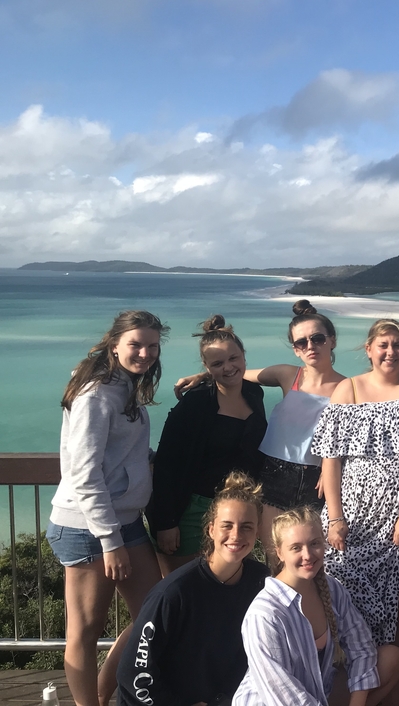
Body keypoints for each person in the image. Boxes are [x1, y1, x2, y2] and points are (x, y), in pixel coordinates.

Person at [47, 310, 166, 706]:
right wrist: (110, 541)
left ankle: (103, 691)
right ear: (115, 345)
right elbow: (83, 472)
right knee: (85, 629)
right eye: (136, 344)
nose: (145, 352)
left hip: (124, 521)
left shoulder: (125, 387)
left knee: (153, 610)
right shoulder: (97, 393)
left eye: (152, 345)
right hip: (87, 528)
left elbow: (120, 454)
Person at [175, 300, 345, 566]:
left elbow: (350, 440)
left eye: (318, 338)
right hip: (274, 475)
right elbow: (234, 373)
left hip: (317, 482)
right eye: (302, 342)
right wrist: (201, 376)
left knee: (311, 561)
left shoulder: (350, 389)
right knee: (275, 559)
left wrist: (331, 467)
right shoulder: (289, 375)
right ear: (296, 349)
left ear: (332, 340)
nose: (310, 346)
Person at [312, 319, 399, 646]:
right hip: (354, 519)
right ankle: (355, 676)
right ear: (369, 350)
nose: (391, 352)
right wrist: (336, 517)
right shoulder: (348, 389)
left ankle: (397, 678)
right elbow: (331, 459)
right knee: (342, 594)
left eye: (397, 345)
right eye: (383, 345)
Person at [116, 472, 271, 706]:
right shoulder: (172, 594)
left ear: (257, 532)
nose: (236, 535)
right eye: (227, 526)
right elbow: (132, 674)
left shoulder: (262, 583)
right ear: (211, 529)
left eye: (246, 527)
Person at [233, 506, 399, 706]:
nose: (308, 555)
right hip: (271, 702)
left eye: (314, 543)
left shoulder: (331, 588)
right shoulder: (265, 614)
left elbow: (361, 646)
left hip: (318, 692)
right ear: (279, 552)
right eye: (296, 547)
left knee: (391, 659)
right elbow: (283, 695)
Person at [148, 315, 268, 575]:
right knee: (186, 591)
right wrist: (165, 523)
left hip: (237, 511)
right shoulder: (196, 404)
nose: (228, 367)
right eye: (217, 363)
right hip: (191, 512)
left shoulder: (254, 393)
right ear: (207, 366)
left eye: (233, 359)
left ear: (244, 356)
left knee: (225, 588)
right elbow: (167, 463)